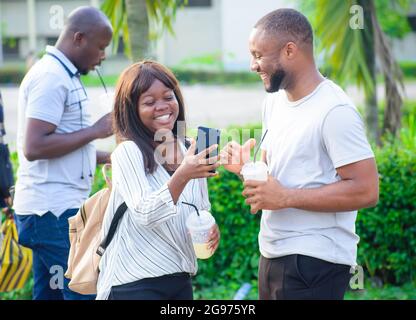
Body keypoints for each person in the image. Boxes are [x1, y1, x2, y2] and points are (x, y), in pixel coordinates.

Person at [221, 8, 379, 300]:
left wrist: (286, 198)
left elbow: (367, 190)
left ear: (290, 50)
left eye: (258, 55)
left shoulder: (334, 111)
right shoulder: (275, 102)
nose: (253, 65)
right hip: (272, 253)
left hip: (315, 261)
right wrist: (247, 168)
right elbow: (279, 177)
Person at [96, 60, 221, 300]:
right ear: (132, 110)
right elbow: (145, 214)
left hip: (179, 281)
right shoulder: (128, 152)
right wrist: (183, 174)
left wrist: (209, 224)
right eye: (149, 102)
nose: (162, 107)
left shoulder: (190, 150)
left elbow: (200, 208)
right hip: (134, 284)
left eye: (168, 97)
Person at [13, 6, 113, 300]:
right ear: (79, 38)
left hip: (52, 211)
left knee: (51, 294)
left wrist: (109, 156)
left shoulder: (63, 74)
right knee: (83, 290)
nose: (103, 56)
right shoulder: (51, 77)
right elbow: (35, 147)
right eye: (101, 47)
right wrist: (96, 130)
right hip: (52, 212)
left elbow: (64, 143)